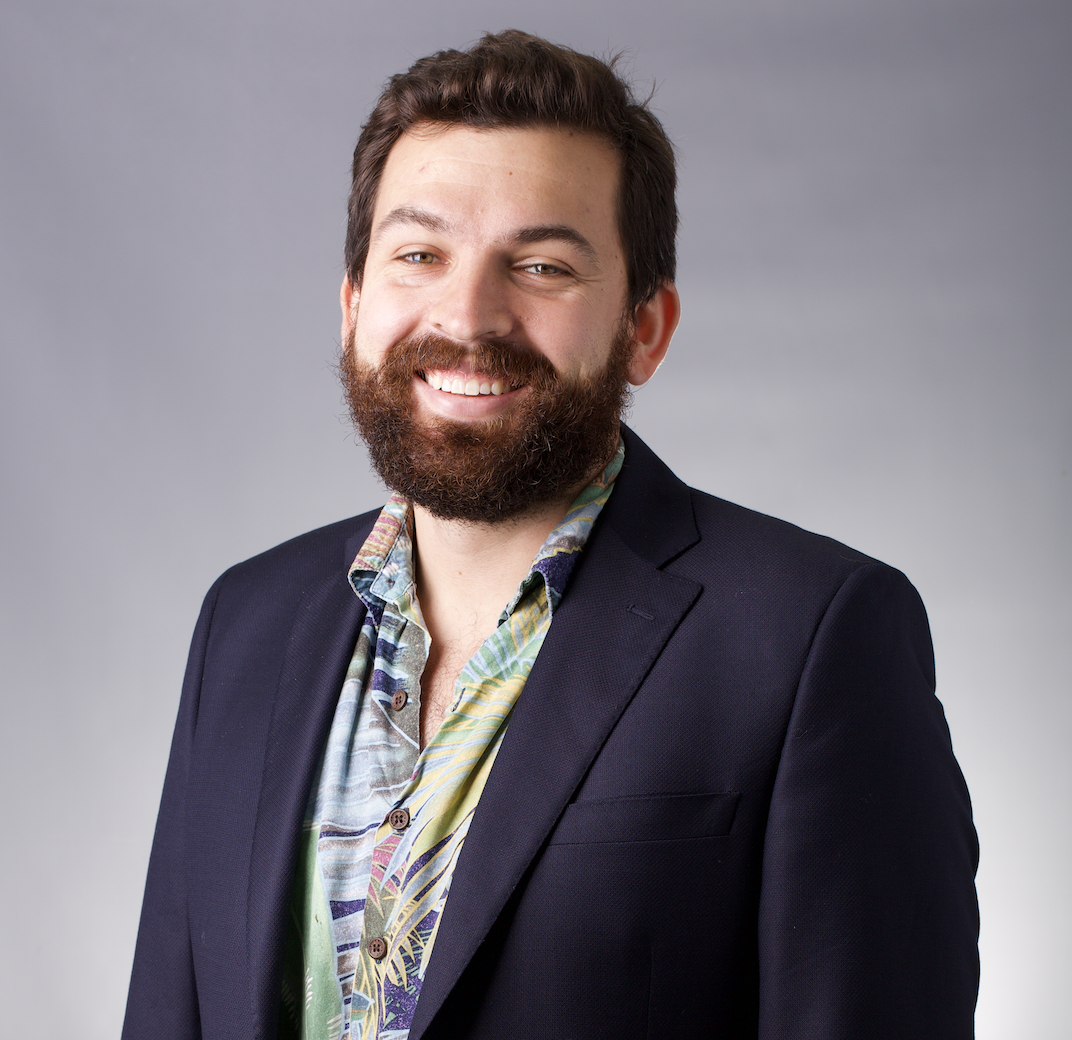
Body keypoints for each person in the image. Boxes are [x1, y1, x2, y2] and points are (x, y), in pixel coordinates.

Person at [122, 29, 979, 1040]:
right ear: (353, 305)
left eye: (540, 265)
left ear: (643, 329)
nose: (467, 315)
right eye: (419, 255)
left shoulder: (810, 639)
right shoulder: (244, 623)